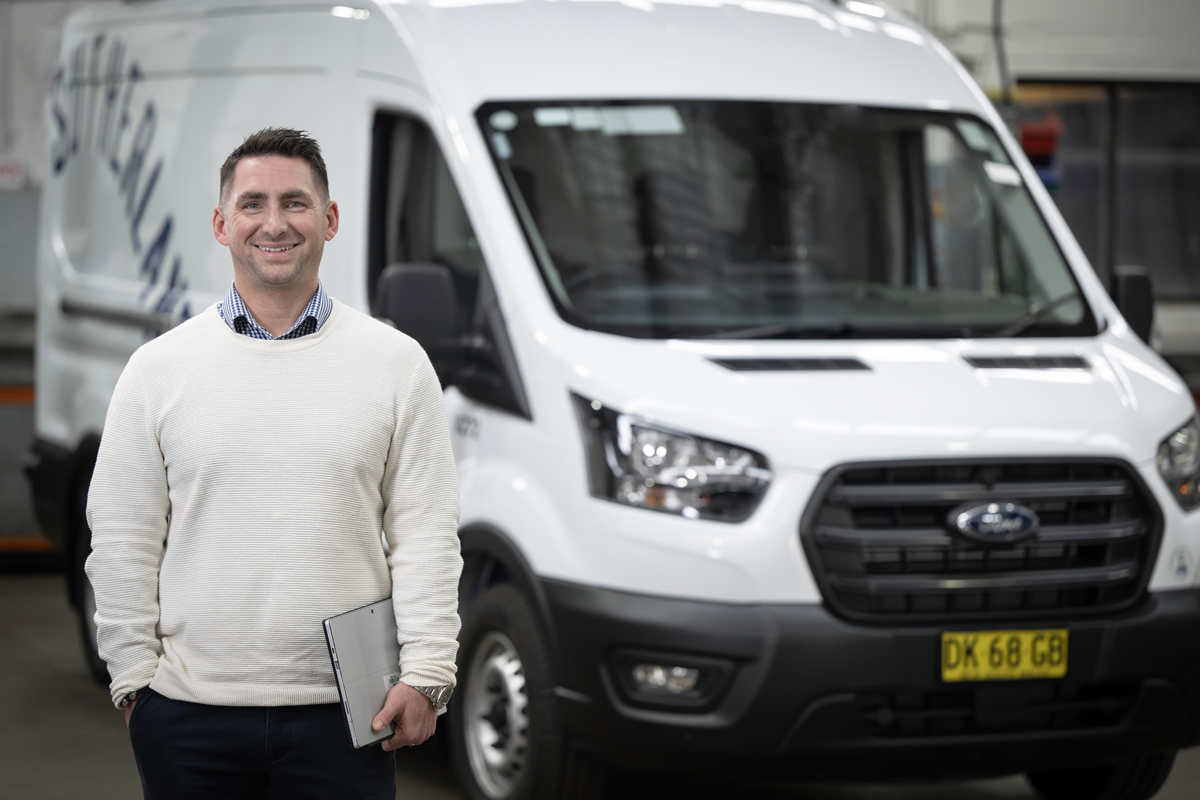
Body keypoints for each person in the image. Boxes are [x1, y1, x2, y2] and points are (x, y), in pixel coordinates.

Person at [85, 127, 462, 800]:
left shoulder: (397, 365)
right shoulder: (158, 370)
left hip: (350, 715)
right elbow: (122, 536)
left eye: (296, 202)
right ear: (222, 224)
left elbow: (427, 535)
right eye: (253, 204)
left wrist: (427, 670)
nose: (275, 223)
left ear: (330, 219)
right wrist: (134, 679)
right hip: (187, 714)